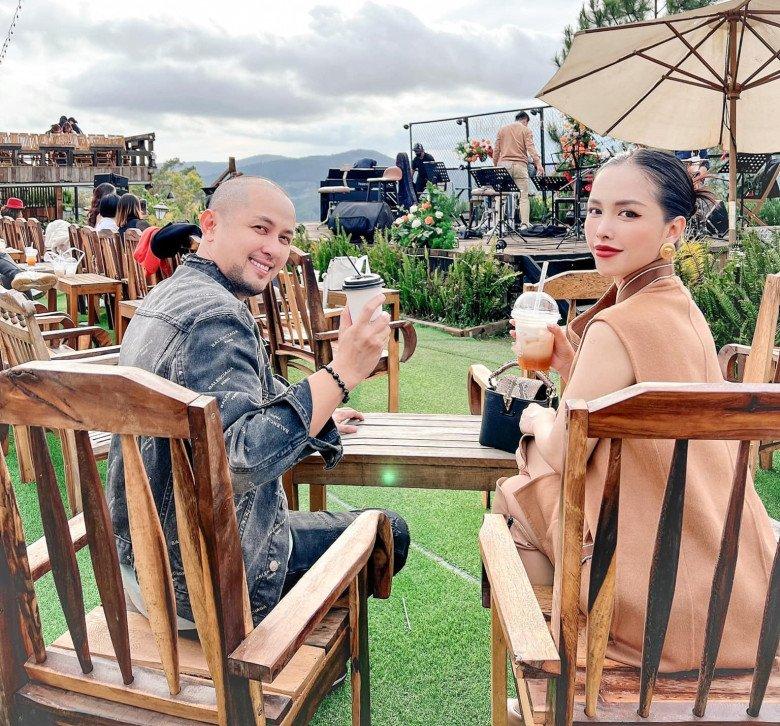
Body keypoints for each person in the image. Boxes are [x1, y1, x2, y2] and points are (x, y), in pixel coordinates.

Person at [491, 149, 775, 723]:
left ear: (673, 229)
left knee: (515, 498)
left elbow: (565, 450)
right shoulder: (682, 309)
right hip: (737, 594)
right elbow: (633, 406)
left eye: (628, 213)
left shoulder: (617, 324)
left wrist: (535, 419)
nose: (603, 228)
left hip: (657, 606)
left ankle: (559, 661)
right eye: (595, 210)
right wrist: (573, 370)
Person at [107, 176, 410, 627]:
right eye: (260, 228)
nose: (273, 248)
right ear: (210, 225)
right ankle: (290, 646)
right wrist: (343, 372)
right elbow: (239, 460)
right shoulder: (215, 316)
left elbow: (233, 404)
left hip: (140, 562)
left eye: (285, 237)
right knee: (390, 531)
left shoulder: (167, 294)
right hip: (203, 582)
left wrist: (321, 406)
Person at [493, 111, 544, 226]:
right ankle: (524, 224)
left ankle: (499, 225)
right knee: (523, 197)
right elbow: (531, 148)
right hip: (520, 166)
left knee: (500, 196)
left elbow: (496, 150)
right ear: (525, 120)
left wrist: (495, 165)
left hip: (504, 166)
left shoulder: (502, 130)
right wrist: (538, 164)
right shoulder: (526, 130)